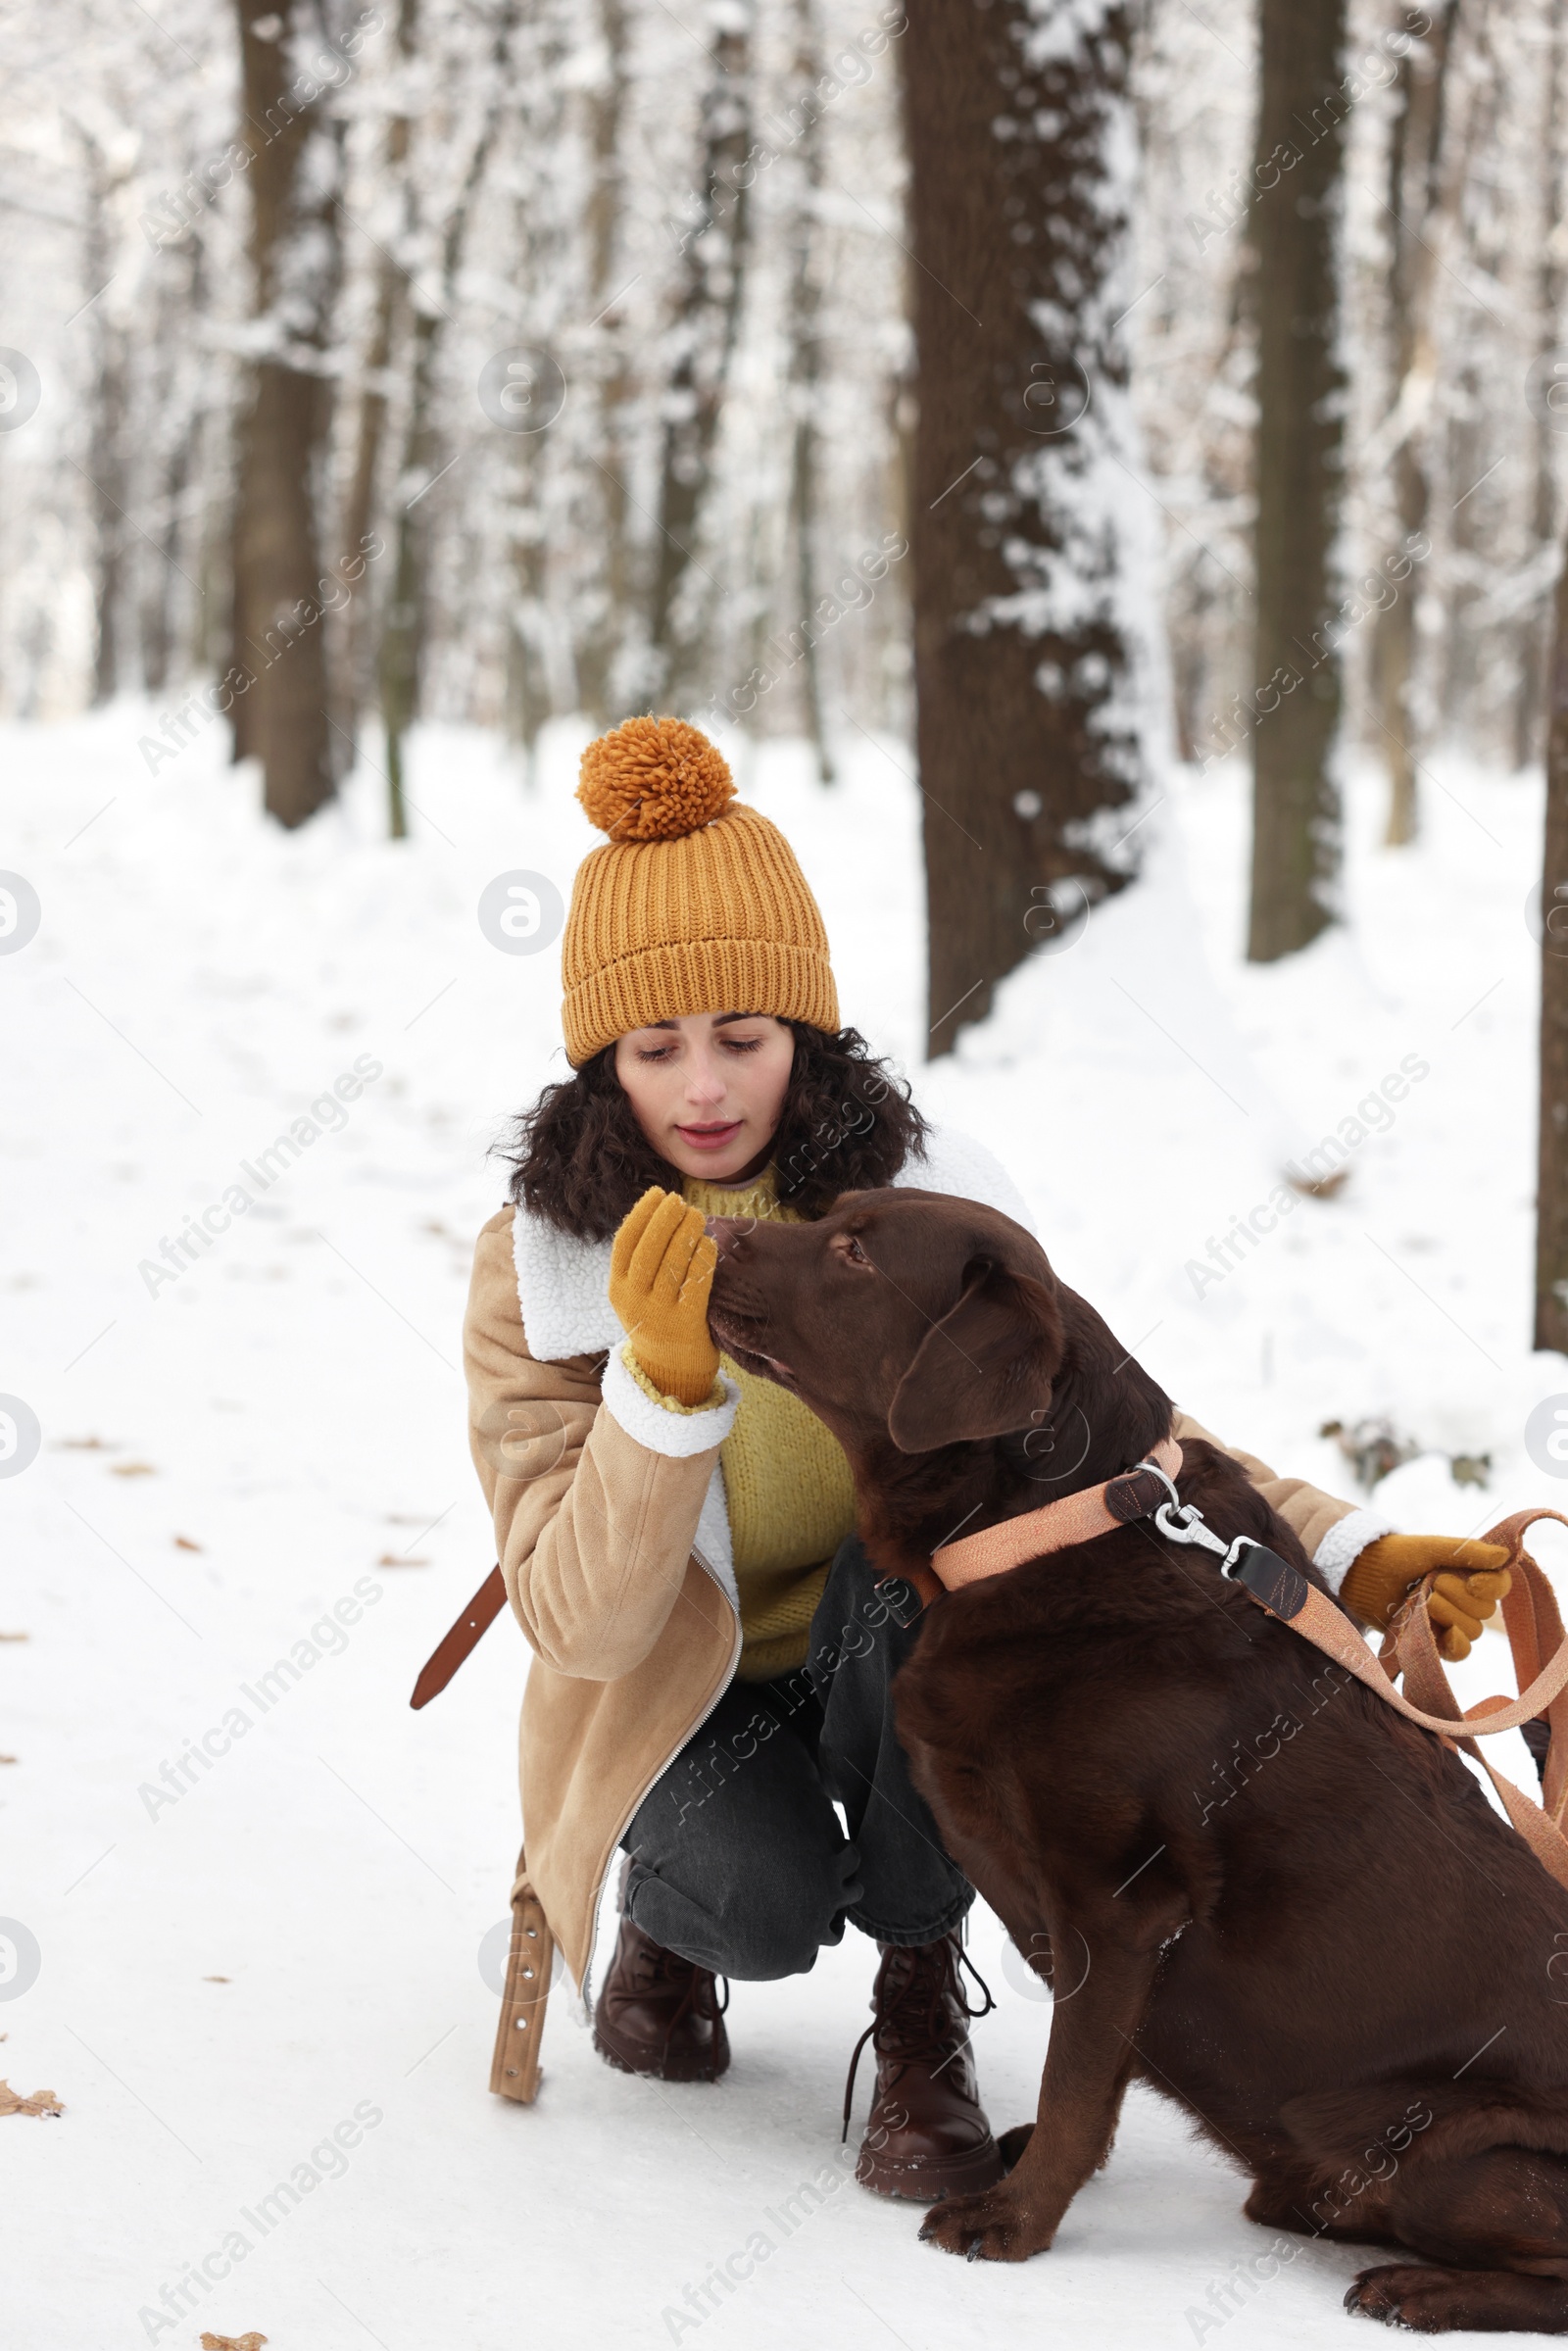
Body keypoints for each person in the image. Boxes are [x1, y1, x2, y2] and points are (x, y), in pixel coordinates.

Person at [462, 714, 1509, 2201]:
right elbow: (582, 1624)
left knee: (935, 1628)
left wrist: (1343, 1551)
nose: (704, 1087)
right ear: (600, 1060)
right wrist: (660, 1390)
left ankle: (913, 1998)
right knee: (760, 1904)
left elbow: (1105, 1443)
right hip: (672, 1687)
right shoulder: (543, 1275)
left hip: (882, 1651)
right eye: (657, 1047)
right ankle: (675, 1925)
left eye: (744, 1039)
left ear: (803, 1036)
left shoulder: (924, 1207)